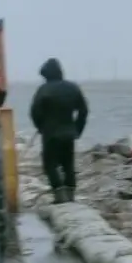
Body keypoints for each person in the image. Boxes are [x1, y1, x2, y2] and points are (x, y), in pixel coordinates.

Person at [30, 58, 88, 204]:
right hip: (69, 133)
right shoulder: (73, 88)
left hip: (50, 134)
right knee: (68, 163)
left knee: (49, 163)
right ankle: (70, 193)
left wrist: (41, 127)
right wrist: (77, 129)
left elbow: (34, 112)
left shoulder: (43, 90)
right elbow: (83, 110)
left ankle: (59, 195)